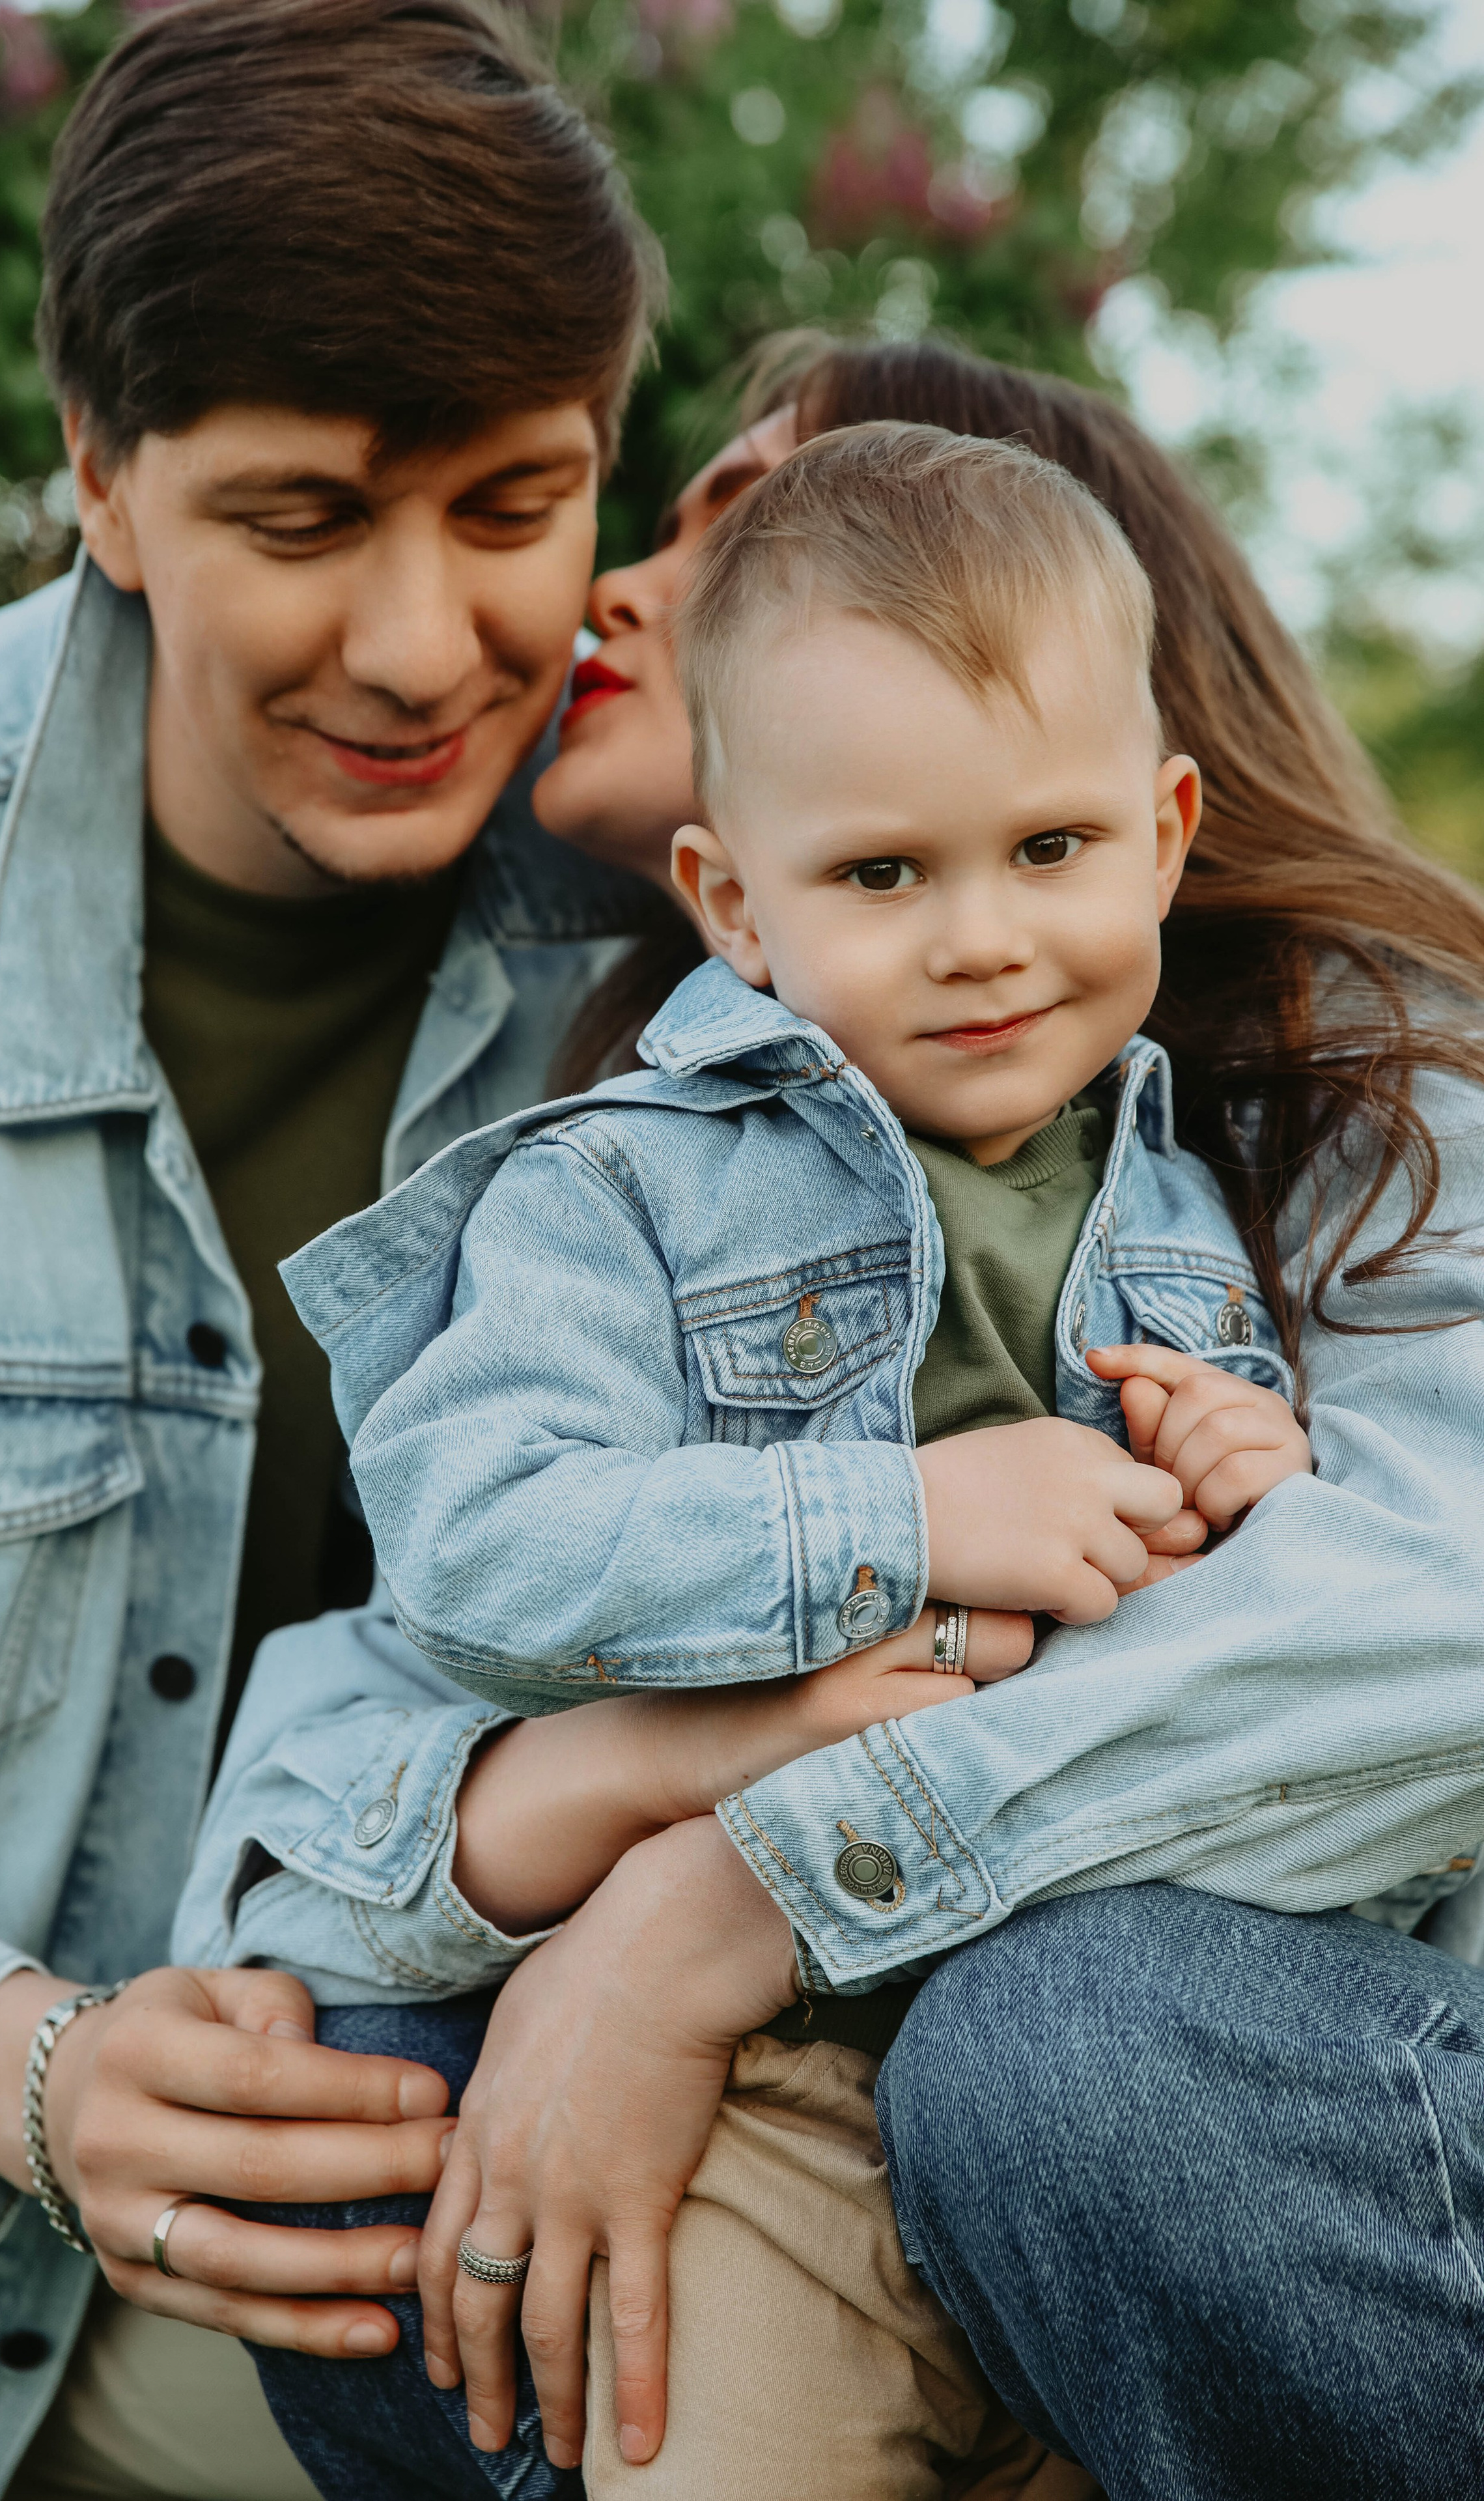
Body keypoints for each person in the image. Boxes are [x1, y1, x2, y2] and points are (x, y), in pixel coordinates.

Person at [188, 333, 1484, 2501]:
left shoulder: (1341, 1093)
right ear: (737, 899)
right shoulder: (636, 1152)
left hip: (1205, 2043)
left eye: (733, 526)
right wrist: (638, 1763)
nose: (623, 587)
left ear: (1153, 817)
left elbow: (1411, 1623)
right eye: (884, 873)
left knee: (1058, 2060)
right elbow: (454, 1571)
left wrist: (735, 1888)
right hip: (845, 2063)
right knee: (375, 2113)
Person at [0, 0, 664, 2493]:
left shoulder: (725, 895)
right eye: (304, 524)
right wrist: (3, 2056)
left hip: (468, 2286)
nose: (422, 650)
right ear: (101, 474)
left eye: (516, 509)